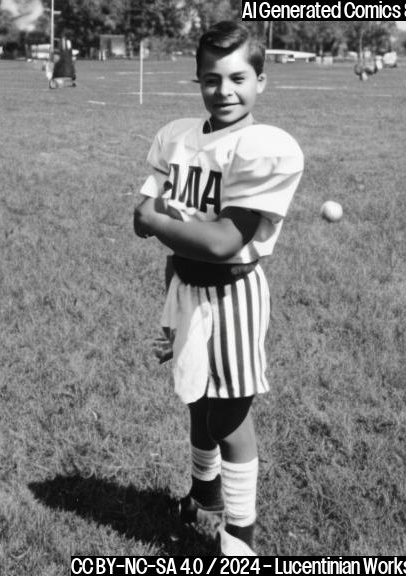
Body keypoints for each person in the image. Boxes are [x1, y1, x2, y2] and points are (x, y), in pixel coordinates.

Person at [132, 21, 303, 557]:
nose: (224, 91)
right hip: (184, 284)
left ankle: (240, 538)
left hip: (233, 295)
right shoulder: (178, 135)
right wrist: (164, 235)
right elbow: (146, 218)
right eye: (210, 79)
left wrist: (162, 222)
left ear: (261, 81)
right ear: (198, 81)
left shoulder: (262, 145)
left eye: (237, 78)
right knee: (196, 398)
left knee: (229, 417)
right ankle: (203, 492)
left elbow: (224, 242)